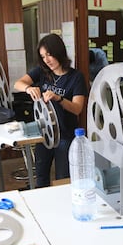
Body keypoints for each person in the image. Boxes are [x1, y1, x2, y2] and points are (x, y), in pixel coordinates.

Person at [14, 33, 88, 188]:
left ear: (59, 52)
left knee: (63, 180)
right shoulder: (41, 72)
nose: (46, 60)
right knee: (41, 176)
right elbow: (18, 84)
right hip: (44, 134)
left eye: (49, 55)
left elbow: (77, 108)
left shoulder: (76, 77)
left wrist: (59, 98)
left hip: (66, 136)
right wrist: (28, 89)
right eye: (43, 56)